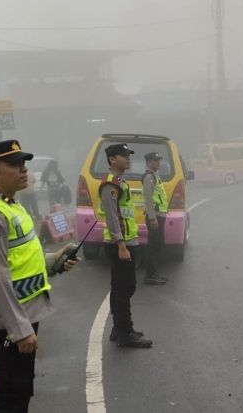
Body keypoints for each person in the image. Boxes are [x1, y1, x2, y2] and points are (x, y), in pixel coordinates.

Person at [0, 140, 79, 413]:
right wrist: (19, 330)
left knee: (21, 392)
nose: (24, 170)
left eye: (24, 164)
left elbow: (19, 261)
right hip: (4, 324)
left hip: (21, 316)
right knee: (10, 399)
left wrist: (53, 262)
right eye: (15, 165)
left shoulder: (11, 206)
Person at [99, 143, 153, 348]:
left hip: (126, 240)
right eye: (124, 155)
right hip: (120, 243)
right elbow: (112, 217)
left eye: (128, 155)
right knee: (126, 287)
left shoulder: (120, 181)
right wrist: (121, 244)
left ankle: (118, 327)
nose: (128, 158)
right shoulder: (111, 184)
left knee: (119, 287)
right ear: (113, 159)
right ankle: (125, 332)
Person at [142, 152, 168, 286]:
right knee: (153, 246)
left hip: (160, 215)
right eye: (156, 160)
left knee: (158, 244)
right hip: (155, 216)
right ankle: (150, 275)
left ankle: (154, 272)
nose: (158, 163)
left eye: (159, 160)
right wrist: (152, 218)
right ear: (149, 162)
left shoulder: (155, 176)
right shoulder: (149, 177)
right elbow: (148, 199)